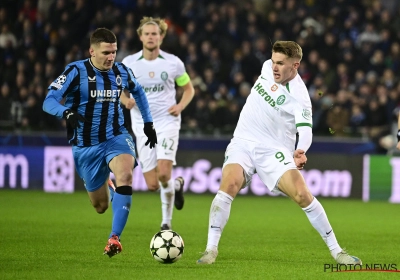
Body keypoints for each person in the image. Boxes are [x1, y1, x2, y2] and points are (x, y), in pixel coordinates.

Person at [196, 41, 362, 265]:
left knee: (303, 195)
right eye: (273, 61)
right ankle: (210, 250)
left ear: (295, 66)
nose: (274, 67)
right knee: (229, 184)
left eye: (281, 64)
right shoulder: (266, 68)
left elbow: (305, 130)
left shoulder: (300, 97)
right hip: (244, 141)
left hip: (274, 150)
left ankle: (337, 252)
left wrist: (300, 150)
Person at [42, 27, 157, 258]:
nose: (111, 57)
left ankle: (114, 238)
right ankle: (109, 186)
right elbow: (49, 100)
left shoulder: (122, 71)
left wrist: (148, 123)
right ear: (92, 51)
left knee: (125, 174)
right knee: (101, 206)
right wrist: (66, 112)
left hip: (116, 136)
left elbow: (139, 92)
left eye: (114, 52)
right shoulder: (75, 71)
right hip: (86, 146)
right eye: (106, 52)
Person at [122, 17, 194, 230]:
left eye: (155, 33)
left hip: (167, 121)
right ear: (140, 36)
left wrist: (180, 106)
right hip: (142, 125)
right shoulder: (129, 64)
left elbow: (189, 89)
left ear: (161, 37)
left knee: (164, 173)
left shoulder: (173, 63)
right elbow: (119, 91)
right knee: (153, 184)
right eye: (147, 33)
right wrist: (126, 101)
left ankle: (166, 224)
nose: (151, 37)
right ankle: (177, 185)